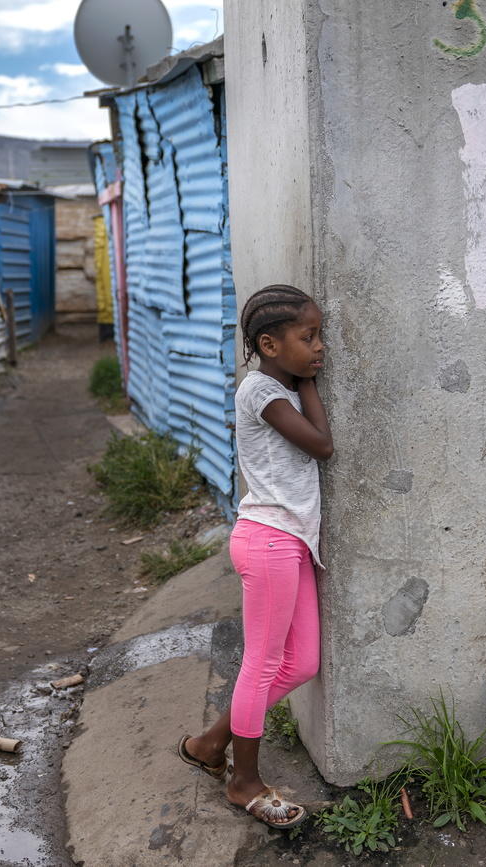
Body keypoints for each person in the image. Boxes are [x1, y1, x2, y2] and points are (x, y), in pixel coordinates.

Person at [176, 285, 332, 829]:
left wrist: (303, 374)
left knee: (303, 662)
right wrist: (308, 381)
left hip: (291, 542)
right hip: (267, 541)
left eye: (320, 337)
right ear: (268, 344)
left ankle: (209, 743)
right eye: (307, 337)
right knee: (262, 665)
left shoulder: (278, 384)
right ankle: (243, 783)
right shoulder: (260, 391)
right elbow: (321, 444)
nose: (318, 347)